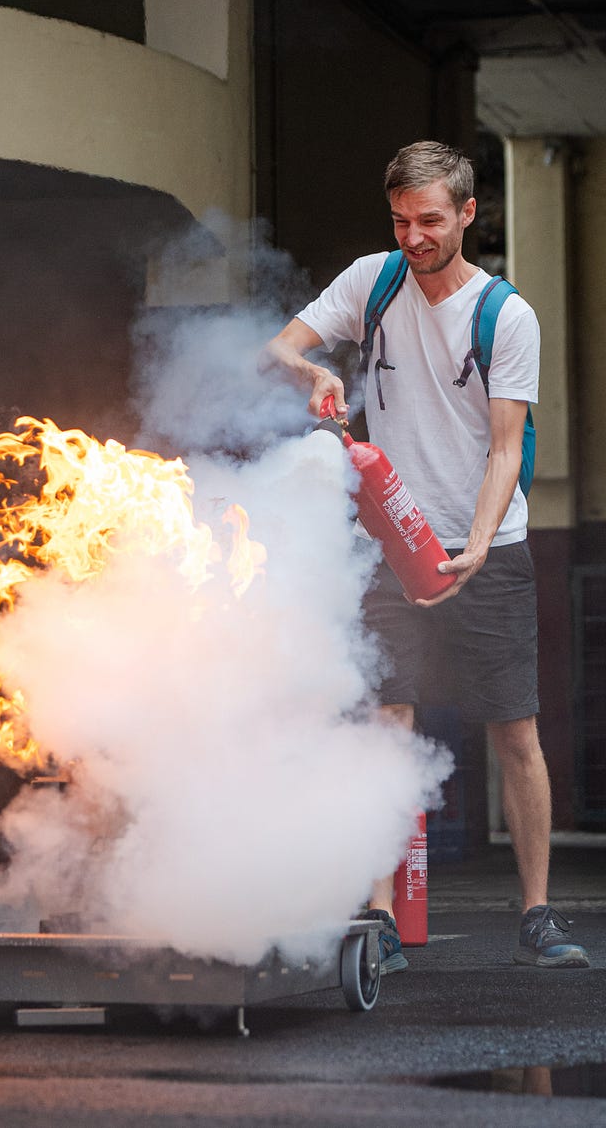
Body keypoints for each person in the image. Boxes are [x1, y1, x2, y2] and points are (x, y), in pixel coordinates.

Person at [259, 139, 588, 971]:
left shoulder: (505, 316)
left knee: (514, 731)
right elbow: (278, 347)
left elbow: (506, 449)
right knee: (388, 722)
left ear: (468, 213)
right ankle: (379, 916)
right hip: (390, 544)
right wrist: (311, 374)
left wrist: (475, 543)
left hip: (488, 549)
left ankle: (538, 914)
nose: (414, 237)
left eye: (431, 220)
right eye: (401, 220)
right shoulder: (373, 282)